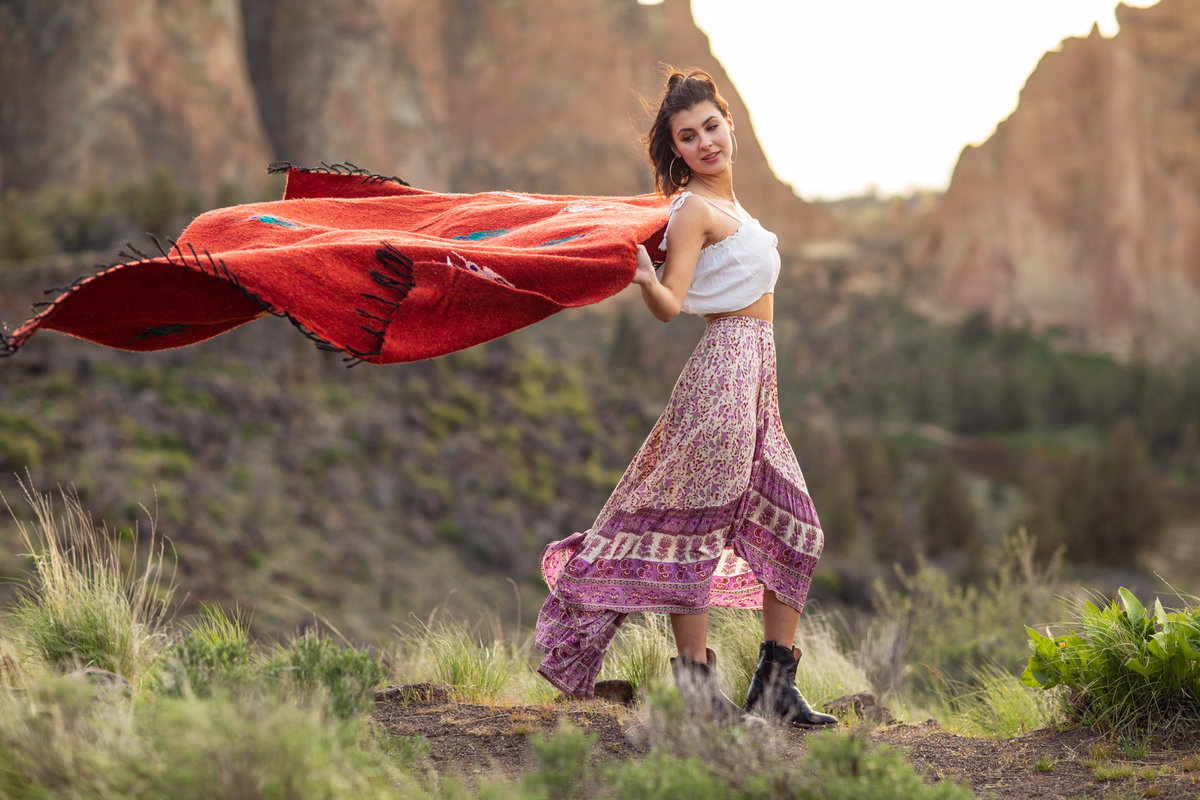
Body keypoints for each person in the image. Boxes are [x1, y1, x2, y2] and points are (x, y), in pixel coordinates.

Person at [534, 68, 837, 728]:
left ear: (730, 124)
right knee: (693, 533)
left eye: (710, 126)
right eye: (687, 137)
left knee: (799, 530)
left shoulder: (735, 210)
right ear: (676, 150)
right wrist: (646, 278)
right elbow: (671, 303)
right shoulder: (694, 209)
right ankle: (697, 692)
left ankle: (774, 687)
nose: (704, 142)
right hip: (722, 380)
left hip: (757, 387)